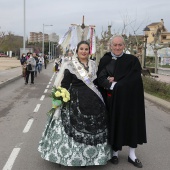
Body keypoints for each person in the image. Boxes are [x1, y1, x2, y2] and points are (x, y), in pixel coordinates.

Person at [38, 41, 112, 167]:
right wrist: (61, 98)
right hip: (75, 99)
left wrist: (108, 80)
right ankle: (68, 157)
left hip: (93, 101)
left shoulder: (94, 65)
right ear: (77, 50)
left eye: (86, 49)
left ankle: (94, 157)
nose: (84, 51)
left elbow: (98, 82)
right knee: (72, 125)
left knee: (95, 126)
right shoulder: (70, 65)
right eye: (81, 49)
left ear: (89, 51)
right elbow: (65, 84)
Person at [97, 35, 147, 168]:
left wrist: (118, 83)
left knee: (132, 124)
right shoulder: (106, 60)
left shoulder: (132, 60)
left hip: (131, 99)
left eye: (120, 45)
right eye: (115, 45)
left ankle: (132, 155)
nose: (117, 47)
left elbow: (135, 79)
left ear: (124, 46)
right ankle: (115, 153)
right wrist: (110, 84)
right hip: (113, 99)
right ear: (111, 46)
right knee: (115, 124)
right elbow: (100, 79)